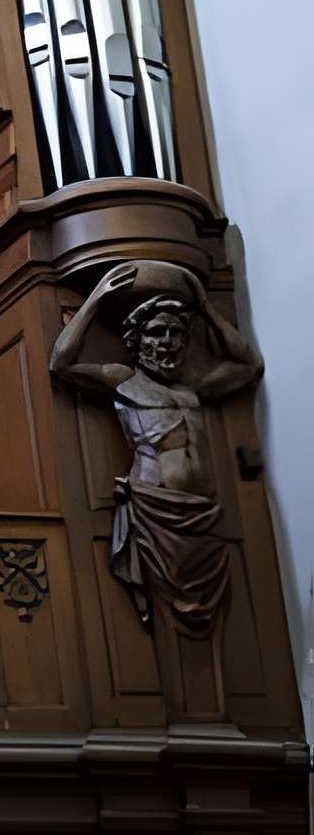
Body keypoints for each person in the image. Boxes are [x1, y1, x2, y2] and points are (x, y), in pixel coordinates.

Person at [49, 259, 261, 636]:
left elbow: (248, 365)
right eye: (158, 333)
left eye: (176, 333)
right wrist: (96, 299)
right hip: (155, 510)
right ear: (138, 341)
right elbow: (61, 363)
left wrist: (205, 308)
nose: (168, 342)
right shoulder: (124, 380)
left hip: (203, 515)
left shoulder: (193, 386)